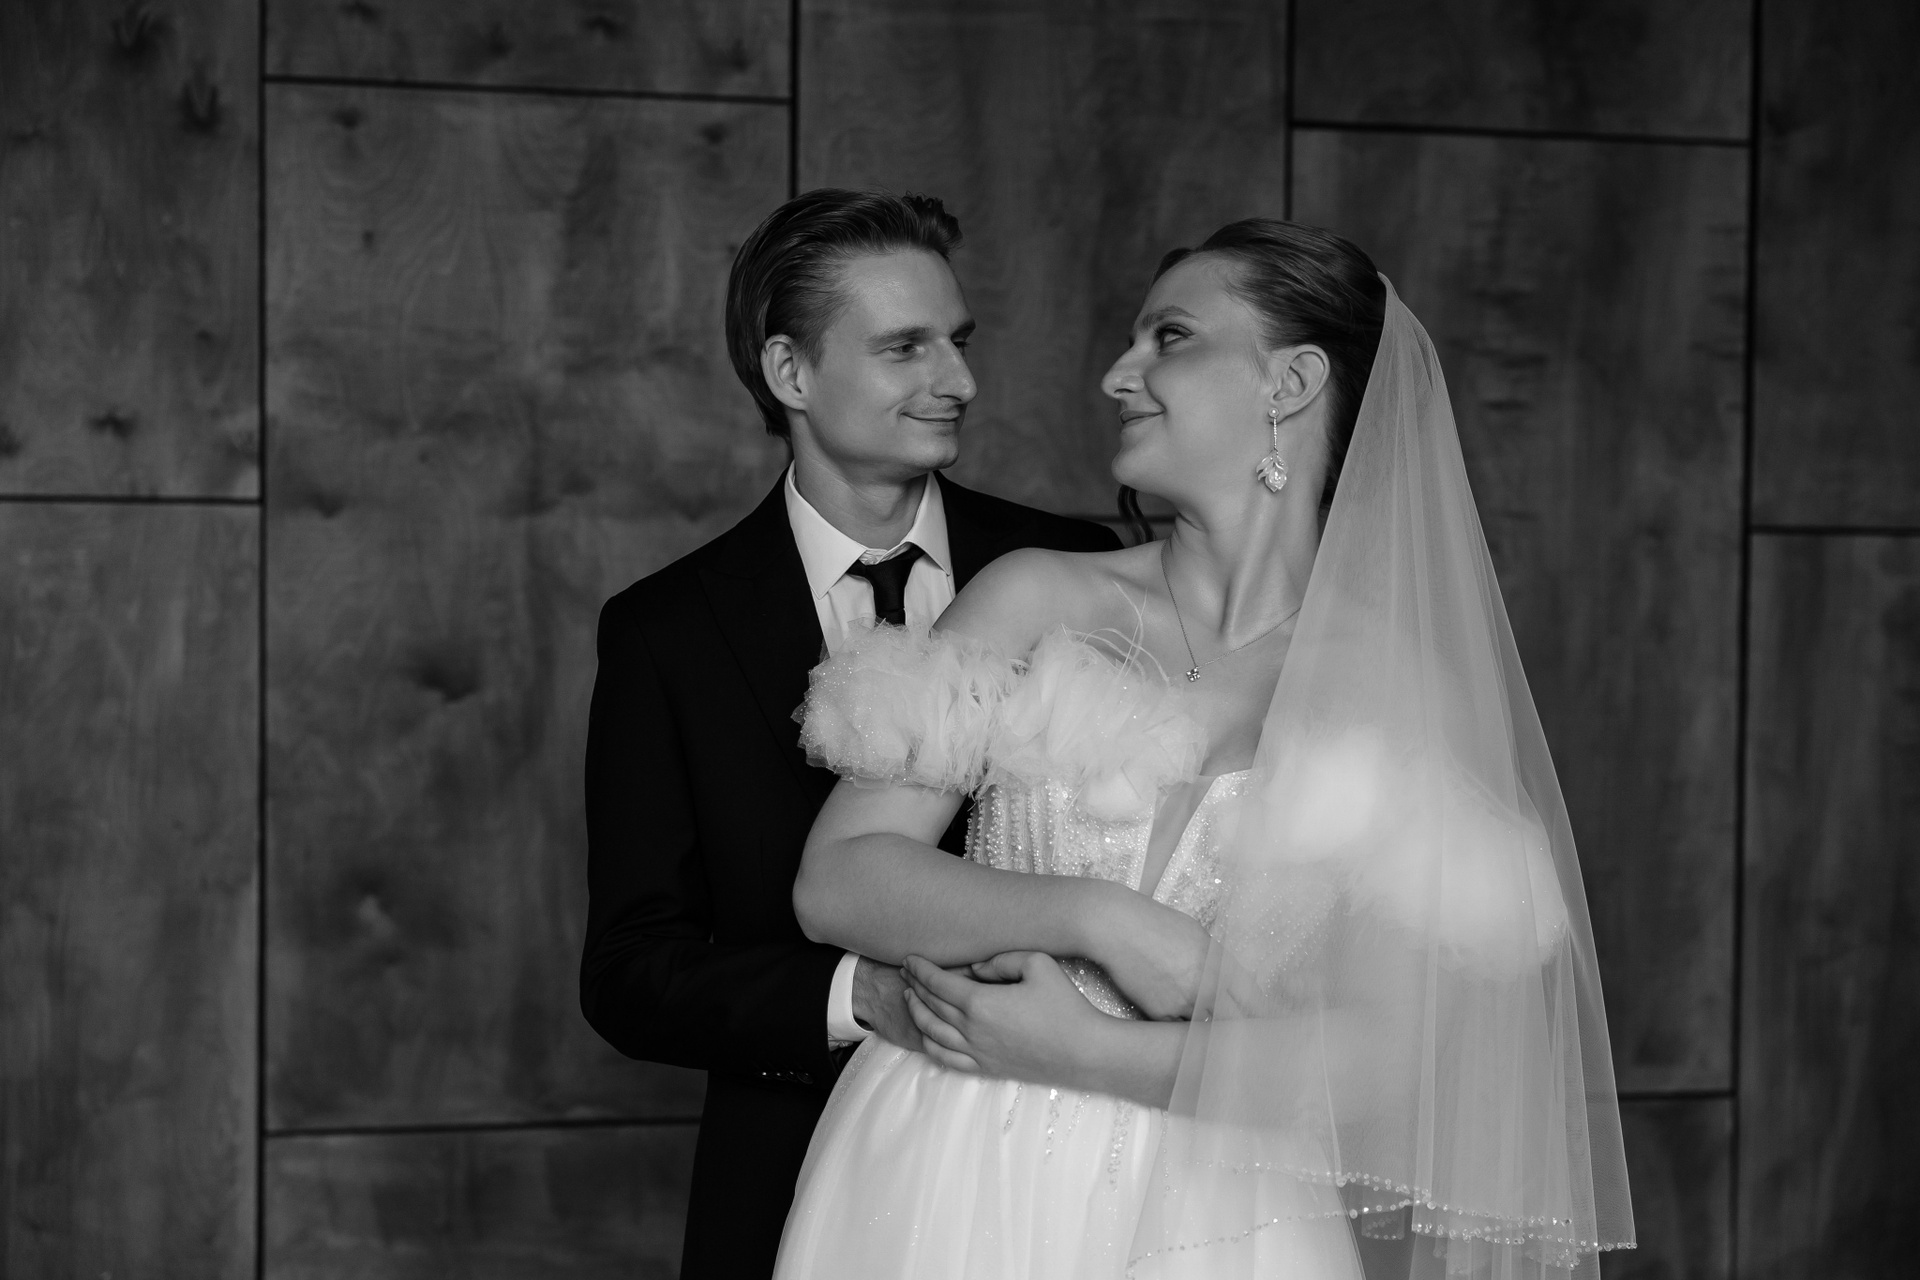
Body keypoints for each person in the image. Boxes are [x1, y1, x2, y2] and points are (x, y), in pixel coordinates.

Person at [773, 220, 1634, 1279]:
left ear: (1291, 381)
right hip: (947, 1170)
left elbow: (1387, 1055)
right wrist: (1104, 920)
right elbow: (840, 879)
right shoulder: (1036, 596)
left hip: (1229, 1212)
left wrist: (1093, 1052)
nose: (1117, 373)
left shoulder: (1396, 691)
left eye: (1169, 337)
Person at [579, 189, 1121, 1279]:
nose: (958, 380)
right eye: (905, 347)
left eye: (960, 341)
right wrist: (856, 996)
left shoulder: (1079, 565)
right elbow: (631, 972)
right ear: (789, 371)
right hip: (797, 1184)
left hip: (1074, 1171)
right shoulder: (666, 632)